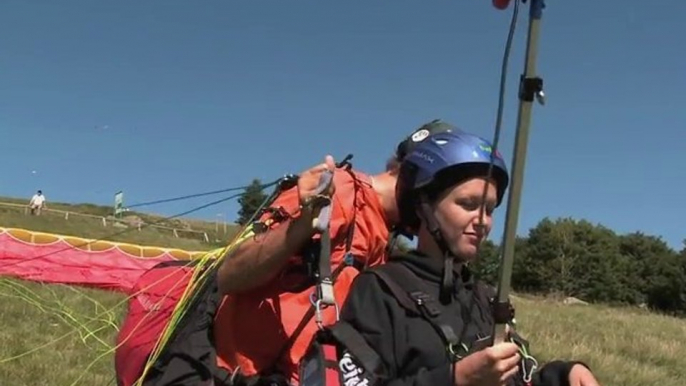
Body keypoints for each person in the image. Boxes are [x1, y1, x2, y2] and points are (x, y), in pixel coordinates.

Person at [113, 119, 459, 386]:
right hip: (233, 374)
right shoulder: (338, 190)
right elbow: (230, 274)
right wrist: (300, 226)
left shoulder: (383, 237)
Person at [309, 129, 601, 386]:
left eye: (489, 209)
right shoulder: (380, 290)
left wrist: (563, 374)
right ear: (424, 206)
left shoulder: (483, 297)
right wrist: (454, 380)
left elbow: (515, 377)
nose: (482, 221)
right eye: (468, 204)